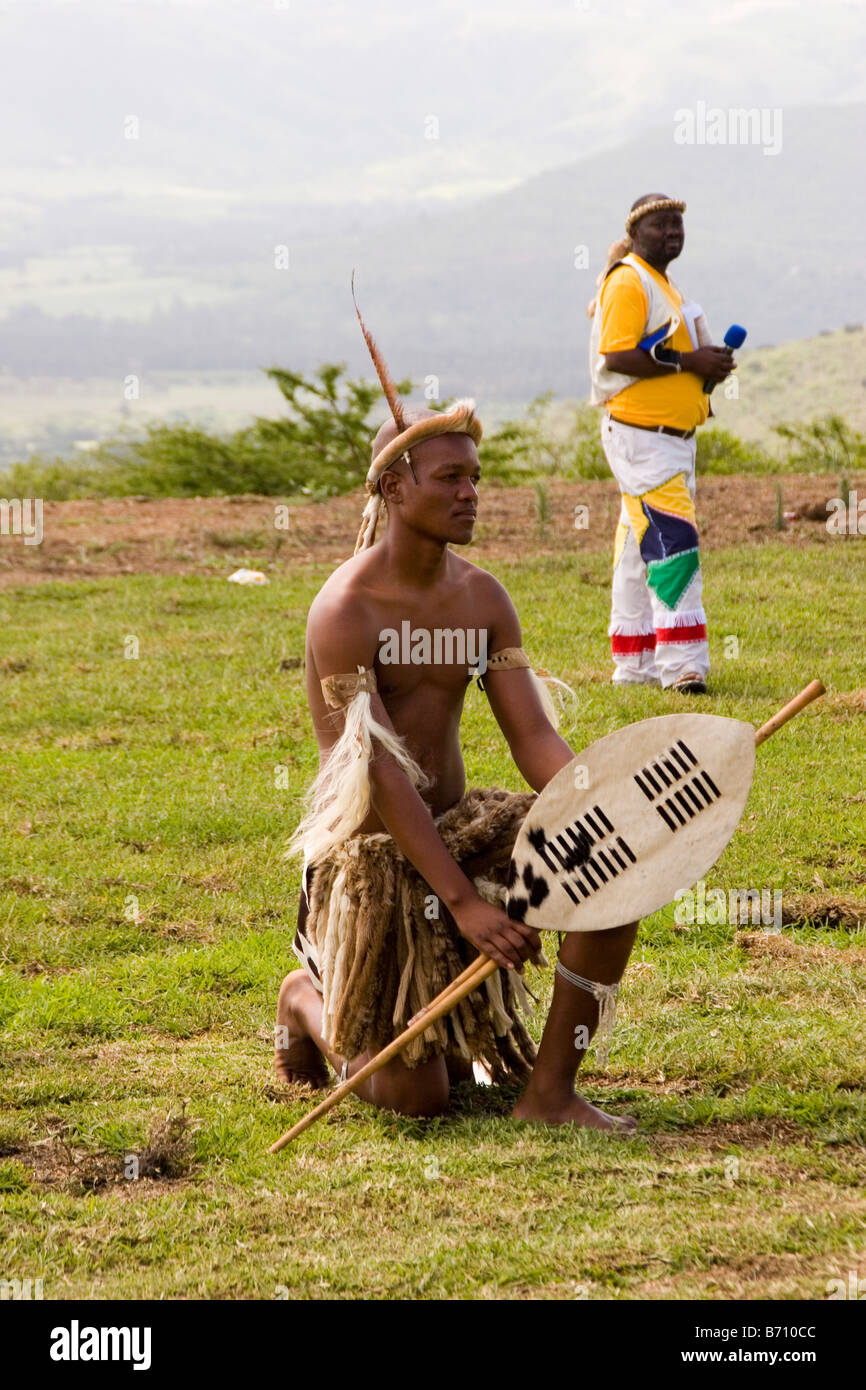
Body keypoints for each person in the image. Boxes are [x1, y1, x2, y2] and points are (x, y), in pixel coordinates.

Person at [274, 293, 639, 1132]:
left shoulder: (482, 598)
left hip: (463, 826)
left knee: (615, 880)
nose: (473, 494)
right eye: (452, 478)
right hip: (375, 851)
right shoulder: (346, 611)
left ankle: (549, 1095)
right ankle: (307, 1000)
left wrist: (598, 798)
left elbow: (534, 736)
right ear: (395, 488)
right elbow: (371, 771)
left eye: (477, 477)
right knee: (420, 1097)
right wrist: (464, 903)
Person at [588, 193, 737, 693]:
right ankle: (683, 666)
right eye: (660, 225)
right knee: (675, 540)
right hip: (641, 437)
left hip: (668, 440)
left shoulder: (662, 284)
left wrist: (708, 368)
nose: (672, 232)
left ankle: (635, 665)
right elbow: (616, 356)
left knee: (636, 548)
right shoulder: (628, 279)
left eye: (677, 224)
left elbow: (669, 357)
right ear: (634, 233)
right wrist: (689, 363)